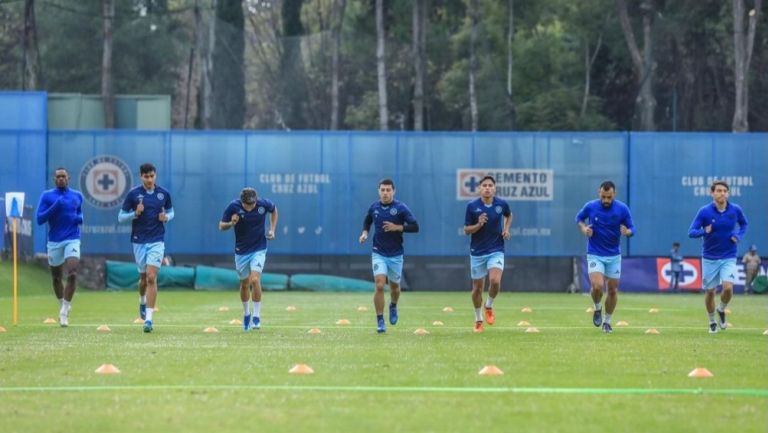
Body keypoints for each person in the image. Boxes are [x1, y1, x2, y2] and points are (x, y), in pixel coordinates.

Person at [118, 163, 174, 333]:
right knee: (143, 279)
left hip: (157, 240)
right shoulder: (133, 194)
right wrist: (135, 213)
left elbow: (172, 212)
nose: (149, 179)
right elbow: (120, 217)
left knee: (151, 277)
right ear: (141, 176)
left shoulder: (163, 194)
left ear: (155, 176)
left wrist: (166, 217)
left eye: (152, 176)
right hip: (139, 240)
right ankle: (142, 300)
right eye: (146, 176)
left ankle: (149, 319)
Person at [359, 178, 419, 333]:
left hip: (396, 255)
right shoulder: (374, 207)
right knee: (379, 285)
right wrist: (365, 233)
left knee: (395, 289)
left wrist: (397, 227)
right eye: (382, 190)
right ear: (379, 191)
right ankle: (380, 320)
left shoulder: (401, 208)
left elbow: (415, 226)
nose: (385, 193)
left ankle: (393, 305)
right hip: (378, 252)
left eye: (388, 190)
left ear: (393, 191)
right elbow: (367, 220)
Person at [575, 180, 635, 334]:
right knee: (597, 286)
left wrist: (627, 232)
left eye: (609, 197)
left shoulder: (622, 209)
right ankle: (597, 308)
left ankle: (607, 322)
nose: (606, 200)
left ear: (614, 194)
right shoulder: (591, 206)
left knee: (613, 290)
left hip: (614, 255)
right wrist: (584, 228)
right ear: (599, 193)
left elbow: (632, 228)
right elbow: (579, 219)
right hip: (595, 253)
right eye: (603, 197)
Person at [688, 180, 748, 334]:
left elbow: (744, 224)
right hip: (709, 257)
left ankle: (721, 309)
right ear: (712, 193)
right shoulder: (704, 211)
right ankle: (712, 321)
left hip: (729, 255)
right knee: (710, 292)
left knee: (728, 287)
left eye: (725, 191)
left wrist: (738, 235)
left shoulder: (735, 210)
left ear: (728, 193)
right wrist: (704, 231)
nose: (722, 193)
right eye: (719, 191)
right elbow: (691, 232)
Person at [219, 187, 277, 331]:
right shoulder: (233, 206)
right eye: (247, 205)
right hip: (241, 252)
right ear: (242, 202)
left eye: (253, 204)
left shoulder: (263, 204)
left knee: (255, 279)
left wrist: (272, 229)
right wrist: (231, 223)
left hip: (259, 249)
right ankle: (246, 314)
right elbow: (221, 226)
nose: (251, 207)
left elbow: (274, 210)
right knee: (244, 284)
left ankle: (256, 316)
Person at [463, 176, 512, 334]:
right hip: (477, 252)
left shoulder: (501, 204)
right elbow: (466, 230)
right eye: (484, 185)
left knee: (495, 281)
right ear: (479, 188)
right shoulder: (472, 206)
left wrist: (506, 229)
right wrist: (478, 224)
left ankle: (489, 305)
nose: (487, 188)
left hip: (496, 249)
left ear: (494, 188)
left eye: (490, 185)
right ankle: (478, 319)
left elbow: (509, 215)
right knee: (477, 289)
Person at [35, 168, 84, 327]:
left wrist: (79, 218)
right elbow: (40, 219)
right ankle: (63, 303)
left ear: (68, 178)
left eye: (64, 176)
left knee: (72, 273)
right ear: (54, 179)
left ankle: (64, 311)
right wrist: (56, 205)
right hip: (54, 241)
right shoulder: (47, 196)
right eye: (58, 177)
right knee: (56, 278)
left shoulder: (77, 195)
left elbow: (79, 213)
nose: (61, 179)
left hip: (72, 239)